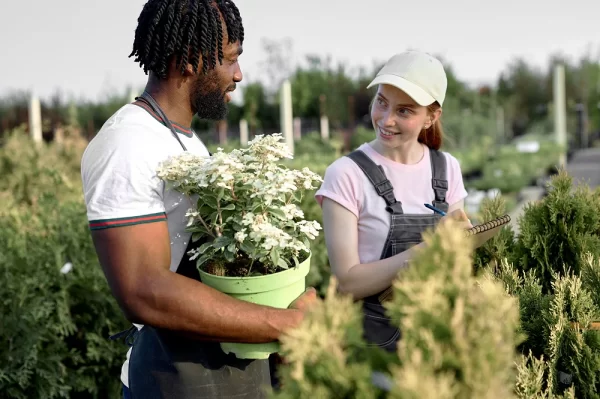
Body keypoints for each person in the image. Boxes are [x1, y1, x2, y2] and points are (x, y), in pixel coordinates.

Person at [80, 1, 316, 398]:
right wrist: (285, 324)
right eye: (229, 60)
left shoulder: (191, 147)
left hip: (227, 377)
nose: (238, 74)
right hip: (172, 382)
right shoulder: (127, 143)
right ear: (189, 60)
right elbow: (143, 289)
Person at [315, 50, 472, 353]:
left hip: (437, 335)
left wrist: (465, 239)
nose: (386, 120)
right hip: (373, 347)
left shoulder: (446, 168)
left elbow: (455, 259)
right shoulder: (346, 174)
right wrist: (425, 251)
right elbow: (347, 282)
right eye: (382, 102)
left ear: (431, 117)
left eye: (404, 111)